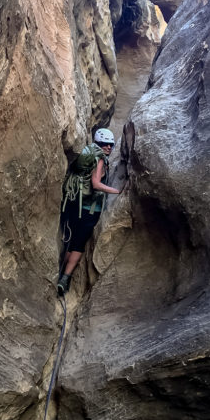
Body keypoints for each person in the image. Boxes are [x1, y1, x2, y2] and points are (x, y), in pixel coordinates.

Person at [57, 127, 121, 296]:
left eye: (110, 145)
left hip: (74, 204)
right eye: (106, 144)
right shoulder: (100, 158)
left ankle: (59, 272)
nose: (108, 148)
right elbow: (96, 184)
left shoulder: (87, 156)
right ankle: (65, 279)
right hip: (89, 209)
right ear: (100, 144)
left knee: (70, 242)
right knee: (78, 245)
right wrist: (117, 191)